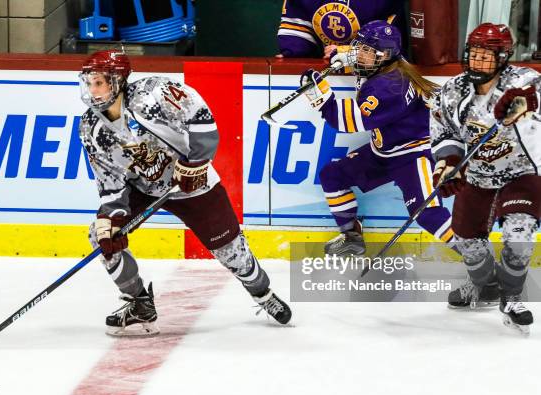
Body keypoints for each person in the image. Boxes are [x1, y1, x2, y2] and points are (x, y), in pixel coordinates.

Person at [78, 50, 292, 336]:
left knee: (232, 253)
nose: (93, 90)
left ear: (117, 81)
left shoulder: (153, 94)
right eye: (89, 83)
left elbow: (200, 116)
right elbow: (110, 180)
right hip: (142, 189)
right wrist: (111, 218)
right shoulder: (90, 127)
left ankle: (262, 293)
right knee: (102, 235)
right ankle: (139, 303)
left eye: (99, 83)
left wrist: (196, 163)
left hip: (192, 185)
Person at [299, 20, 455, 257]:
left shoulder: (391, 85)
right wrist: (339, 55)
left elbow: (349, 122)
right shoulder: (383, 65)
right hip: (383, 152)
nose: (359, 54)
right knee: (333, 175)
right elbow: (356, 59)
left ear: (384, 55)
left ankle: (479, 258)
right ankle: (351, 237)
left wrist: (320, 96)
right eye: (359, 47)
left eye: (366, 50)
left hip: (413, 156)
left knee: (428, 215)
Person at [431, 23, 540, 334]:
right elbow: (444, 133)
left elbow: (535, 96)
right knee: (467, 243)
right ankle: (484, 287)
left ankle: (513, 298)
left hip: (520, 173)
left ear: (504, 58)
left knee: (519, 239)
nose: (477, 62)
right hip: (477, 175)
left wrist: (523, 100)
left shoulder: (524, 80)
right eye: (474, 54)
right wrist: (450, 164)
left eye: (486, 56)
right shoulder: (452, 91)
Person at [277, 0, 406, 59]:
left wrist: (352, 52)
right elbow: (299, 18)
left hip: (377, 73)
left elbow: (389, 40)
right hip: (327, 64)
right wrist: (293, 52)